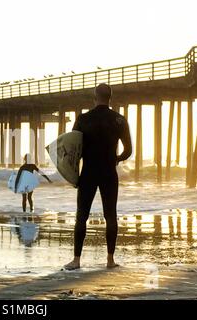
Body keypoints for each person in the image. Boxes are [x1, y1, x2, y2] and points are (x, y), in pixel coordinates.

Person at [63, 83, 132, 270]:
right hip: (109, 172)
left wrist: (73, 174)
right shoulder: (119, 119)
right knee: (111, 216)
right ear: (110, 97)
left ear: (95, 96)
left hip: (88, 173)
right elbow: (128, 151)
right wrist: (116, 159)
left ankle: (76, 261)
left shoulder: (84, 119)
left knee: (81, 216)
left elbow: (72, 150)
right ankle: (110, 260)